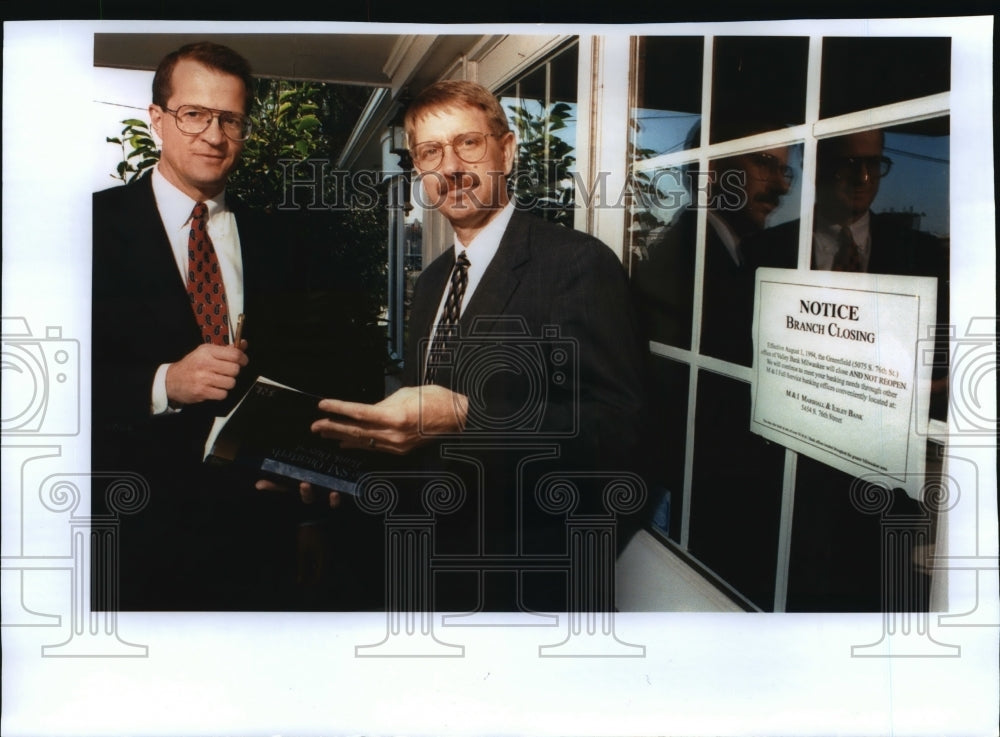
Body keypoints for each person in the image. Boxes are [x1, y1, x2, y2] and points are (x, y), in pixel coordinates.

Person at [301, 80, 650, 612]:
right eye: (430, 152)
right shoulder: (432, 280)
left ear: (506, 151)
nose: (451, 167)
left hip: (526, 582)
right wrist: (345, 473)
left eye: (468, 143)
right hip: (430, 571)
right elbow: (428, 439)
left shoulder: (578, 264)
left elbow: (618, 438)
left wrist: (467, 415)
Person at [92, 42, 328, 610]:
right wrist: (163, 383)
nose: (214, 136)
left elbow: (305, 382)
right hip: (128, 532)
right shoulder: (87, 228)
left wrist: (307, 518)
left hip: (256, 532)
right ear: (158, 120)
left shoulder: (283, 243)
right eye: (194, 114)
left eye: (230, 119)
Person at [631, 119, 794, 366]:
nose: (782, 187)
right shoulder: (683, 262)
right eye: (764, 164)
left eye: (784, 171)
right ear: (713, 171)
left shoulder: (734, 253)